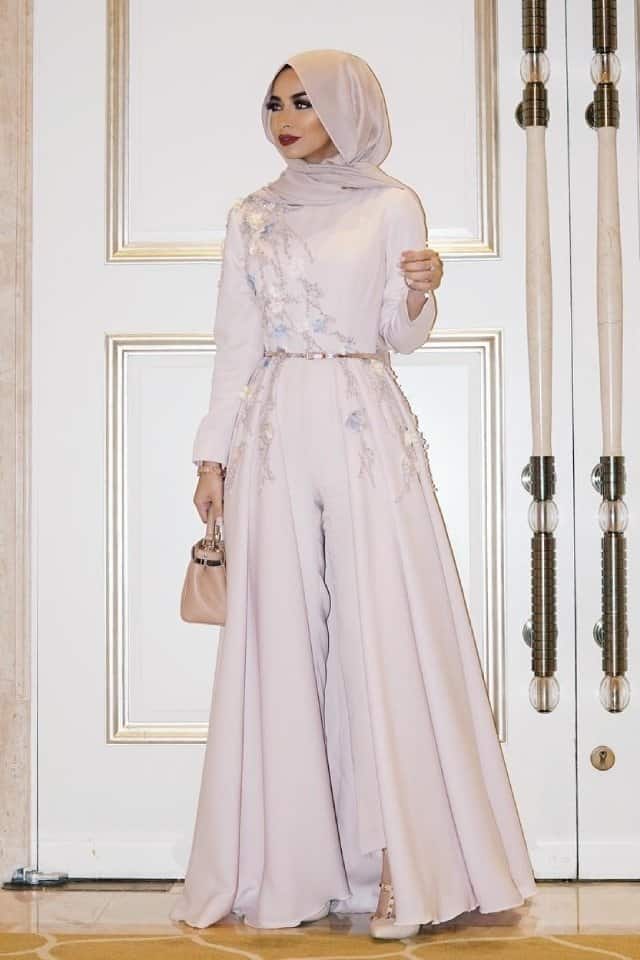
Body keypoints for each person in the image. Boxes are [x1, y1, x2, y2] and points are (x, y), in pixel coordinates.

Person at [170, 48, 537, 940]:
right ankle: (289, 869)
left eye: (305, 101)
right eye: (274, 104)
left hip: (363, 418)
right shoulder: (251, 215)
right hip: (272, 429)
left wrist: (420, 295)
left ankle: (404, 864)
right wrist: (211, 460)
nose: (286, 119)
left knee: (384, 636)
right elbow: (234, 343)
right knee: (282, 639)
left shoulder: (390, 202)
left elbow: (400, 337)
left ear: (348, 108)